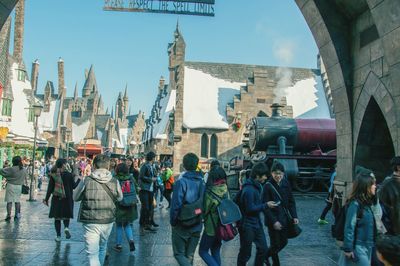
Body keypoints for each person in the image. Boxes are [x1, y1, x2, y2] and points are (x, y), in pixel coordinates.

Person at [73, 154, 123, 266]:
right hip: (108, 219)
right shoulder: (115, 181)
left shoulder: (86, 180)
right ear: (108, 166)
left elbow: (75, 197)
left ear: (94, 165)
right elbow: (120, 198)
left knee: (92, 254)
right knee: (102, 247)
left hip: (90, 220)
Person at [170, 153, 205, 266]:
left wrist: (173, 221)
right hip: (197, 222)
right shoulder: (202, 182)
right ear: (196, 165)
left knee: (179, 254)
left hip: (182, 223)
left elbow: (176, 206)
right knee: (189, 256)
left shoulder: (181, 182)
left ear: (184, 165)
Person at [237, 162, 273, 266]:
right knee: (245, 253)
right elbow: (249, 208)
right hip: (247, 225)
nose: (266, 178)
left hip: (256, 223)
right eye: (264, 175)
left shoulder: (257, 187)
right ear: (257, 176)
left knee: (263, 249)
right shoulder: (249, 189)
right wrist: (265, 205)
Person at [338, 170, 377, 266]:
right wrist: (348, 248)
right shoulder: (355, 204)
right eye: (373, 184)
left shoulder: (367, 204)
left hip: (368, 245)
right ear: (366, 187)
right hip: (358, 246)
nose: (375, 186)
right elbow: (349, 227)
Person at [263, 162, 298, 266]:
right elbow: (265, 207)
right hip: (272, 221)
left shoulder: (286, 183)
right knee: (275, 244)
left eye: (280, 174)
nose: (278, 176)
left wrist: (294, 216)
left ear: (283, 174)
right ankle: (276, 264)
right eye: (275, 173)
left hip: (284, 218)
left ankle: (265, 256)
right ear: (271, 173)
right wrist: (274, 221)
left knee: (283, 242)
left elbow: (291, 201)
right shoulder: (267, 186)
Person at [43, 159, 80, 242]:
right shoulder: (69, 175)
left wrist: (46, 199)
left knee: (57, 218)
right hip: (68, 198)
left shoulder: (54, 175)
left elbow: (50, 188)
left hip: (57, 198)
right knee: (66, 216)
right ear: (63, 165)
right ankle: (66, 228)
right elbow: (74, 186)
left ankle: (58, 236)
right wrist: (78, 180)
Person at [199, 164, 228, 266]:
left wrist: (194, 212)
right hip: (222, 227)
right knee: (215, 250)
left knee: (202, 251)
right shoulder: (225, 188)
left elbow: (204, 211)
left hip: (211, 228)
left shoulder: (210, 192)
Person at [113, 163, 138, 254]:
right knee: (127, 224)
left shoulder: (115, 179)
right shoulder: (131, 178)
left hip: (119, 204)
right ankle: (131, 240)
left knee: (119, 225)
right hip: (130, 204)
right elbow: (137, 189)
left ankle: (118, 245)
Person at [0, 156, 27, 222]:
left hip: (11, 186)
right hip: (19, 186)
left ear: (13, 161)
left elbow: (2, 171)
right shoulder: (23, 169)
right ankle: (17, 214)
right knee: (17, 201)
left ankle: (8, 215)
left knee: (9, 201)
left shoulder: (12, 169)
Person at [138, 151, 158, 234]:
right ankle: (144, 224)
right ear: (152, 158)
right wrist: (151, 179)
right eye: (154, 157)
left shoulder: (152, 166)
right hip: (144, 189)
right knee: (145, 207)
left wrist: (155, 176)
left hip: (150, 189)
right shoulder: (144, 166)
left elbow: (153, 175)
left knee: (150, 207)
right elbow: (141, 176)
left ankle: (148, 223)